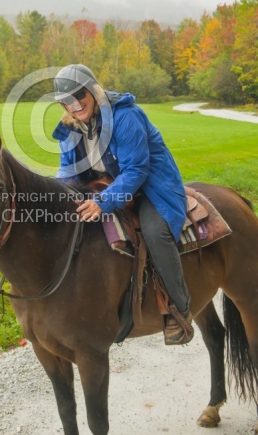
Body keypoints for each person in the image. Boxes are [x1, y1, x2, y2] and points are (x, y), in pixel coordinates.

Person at [52, 63, 193, 345]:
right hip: (108, 185)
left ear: (94, 90)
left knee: (156, 232)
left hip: (153, 189)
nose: (75, 104)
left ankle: (179, 308)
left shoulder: (125, 116)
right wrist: (57, 195)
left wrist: (102, 203)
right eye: (66, 100)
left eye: (80, 95)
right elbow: (66, 173)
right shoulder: (69, 129)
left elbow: (136, 171)